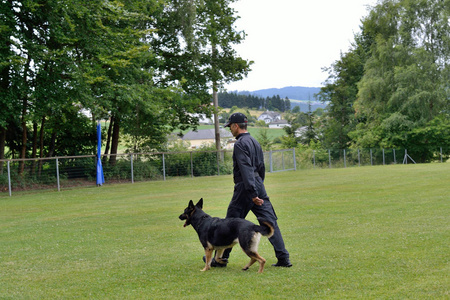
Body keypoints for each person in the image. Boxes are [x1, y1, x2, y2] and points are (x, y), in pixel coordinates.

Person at [208, 112, 292, 268]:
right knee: (270, 221)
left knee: (229, 224)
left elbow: (245, 169)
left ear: (236, 126)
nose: (230, 130)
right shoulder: (254, 141)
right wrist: (259, 186)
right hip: (258, 184)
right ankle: (283, 258)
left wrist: (252, 193)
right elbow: (261, 167)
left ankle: (221, 260)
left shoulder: (240, 144)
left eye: (230, 127)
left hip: (245, 188)